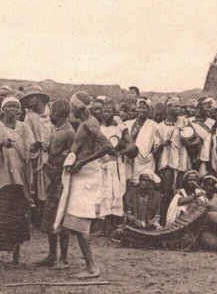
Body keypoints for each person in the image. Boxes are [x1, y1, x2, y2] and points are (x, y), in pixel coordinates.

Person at [57, 91, 115, 279]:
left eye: (73, 106)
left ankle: (91, 267)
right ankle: (89, 265)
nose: (71, 109)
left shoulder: (89, 124)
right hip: (83, 174)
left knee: (80, 222)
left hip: (86, 176)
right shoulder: (86, 123)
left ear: (79, 107)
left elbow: (108, 146)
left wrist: (82, 162)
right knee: (76, 221)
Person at [0, 96, 35, 266]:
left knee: (18, 216)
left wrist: (35, 147)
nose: (13, 110)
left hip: (20, 178)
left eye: (15, 107)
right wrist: (1, 143)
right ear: (3, 109)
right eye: (9, 107)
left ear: (19, 110)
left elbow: (30, 147)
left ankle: (16, 253)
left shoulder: (24, 128)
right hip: (2, 176)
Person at [37, 100, 76, 269]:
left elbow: (73, 155)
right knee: (50, 216)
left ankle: (64, 258)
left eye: (51, 112)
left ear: (59, 114)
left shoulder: (69, 132)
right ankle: (52, 255)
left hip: (61, 179)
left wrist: (58, 163)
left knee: (61, 216)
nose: (49, 115)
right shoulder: (58, 130)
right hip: (53, 177)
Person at [153, 96, 192, 221]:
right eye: (175, 106)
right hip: (167, 162)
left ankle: (178, 219)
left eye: (179, 106)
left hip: (181, 160)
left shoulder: (184, 122)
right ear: (168, 108)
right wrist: (163, 144)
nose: (178, 109)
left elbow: (194, 138)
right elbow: (154, 148)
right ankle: (164, 219)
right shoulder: (160, 126)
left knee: (180, 190)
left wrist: (186, 141)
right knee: (167, 191)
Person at [98, 99, 132, 234]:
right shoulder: (98, 128)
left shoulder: (120, 127)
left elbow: (131, 144)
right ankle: (102, 227)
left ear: (114, 112)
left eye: (109, 111)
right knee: (103, 194)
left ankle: (115, 227)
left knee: (116, 193)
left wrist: (120, 152)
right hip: (101, 164)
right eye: (104, 111)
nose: (106, 113)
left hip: (116, 164)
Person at [21, 85, 53, 225]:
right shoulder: (29, 116)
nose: (29, 101)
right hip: (36, 155)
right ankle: (38, 217)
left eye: (32, 97)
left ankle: (48, 216)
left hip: (52, 154)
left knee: (50, 185)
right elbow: (26, 137)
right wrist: (35, 145)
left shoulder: (51, 112)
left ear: (39, 98)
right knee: (35, 185)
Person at [125, 98, 158, 186]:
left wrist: (149, 155)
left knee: (142, 183)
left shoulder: (154, 125)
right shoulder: (128, 123)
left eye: (144, 108)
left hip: (144, 160)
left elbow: (157, 144)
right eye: (139, 107)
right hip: (128, 158)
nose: (141, 110)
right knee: (127, 181)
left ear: (149, 110)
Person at [190, 98, 216, 175]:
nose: (210, 110)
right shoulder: (188, 121)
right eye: (207, 107)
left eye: (210, 107)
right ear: (199, 107)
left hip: (207, 158)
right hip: (191, 155)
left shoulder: (212, 122)